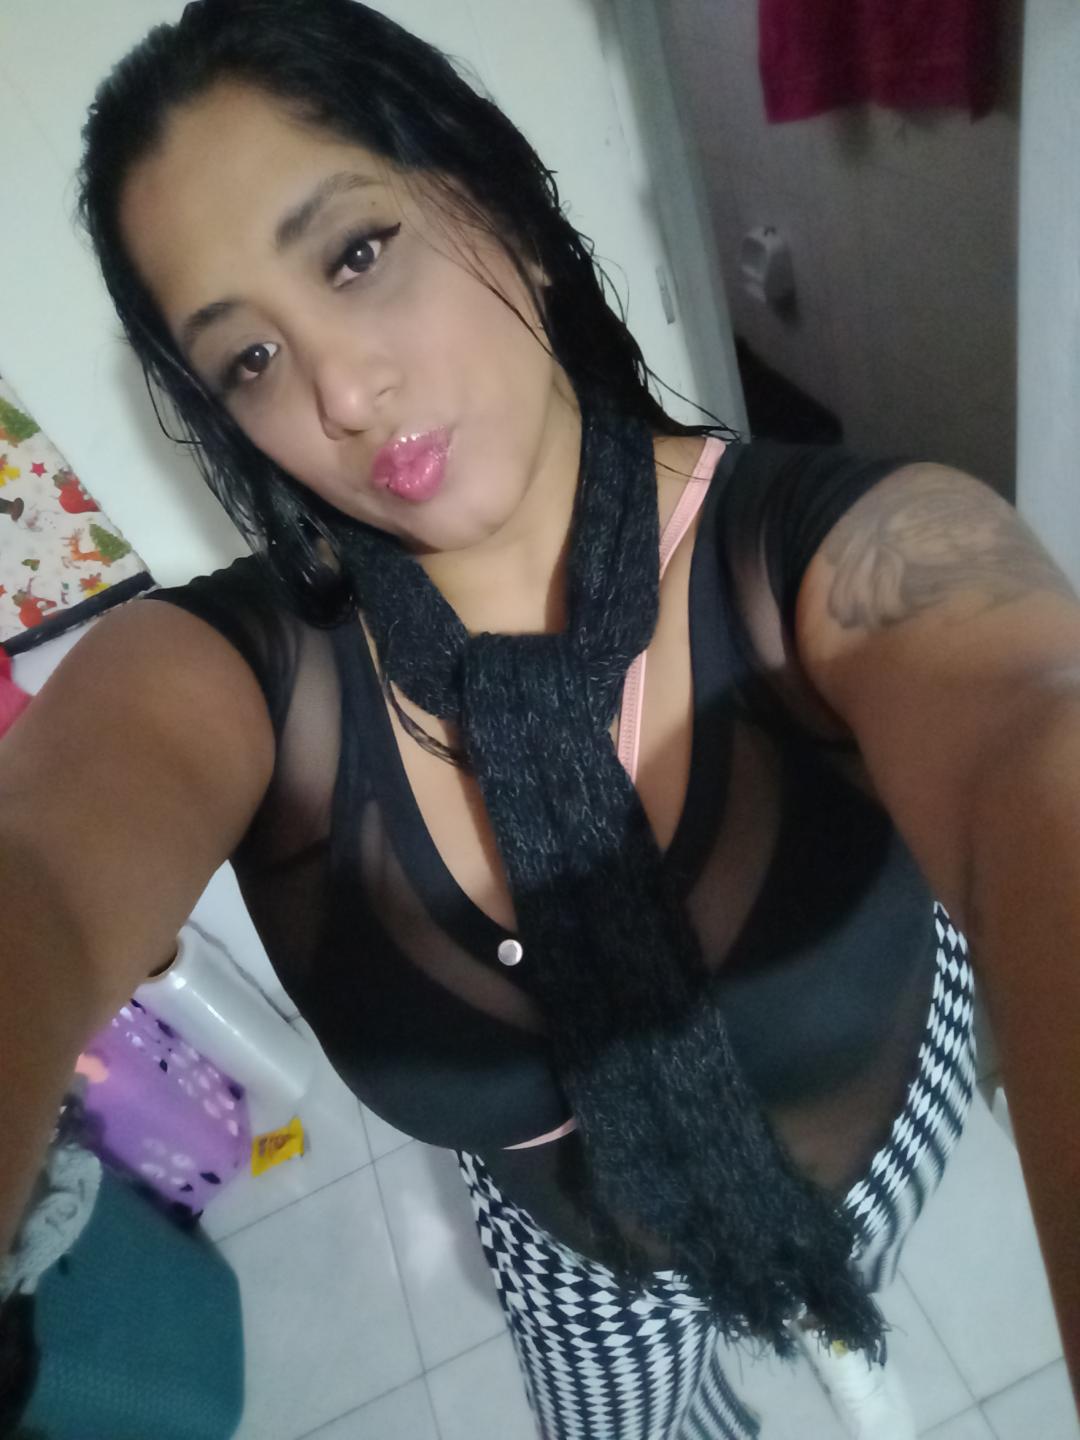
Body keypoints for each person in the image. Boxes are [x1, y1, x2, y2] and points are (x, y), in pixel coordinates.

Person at [2, 1, 1078, 1436]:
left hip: (884, 1138)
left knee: (852, 1277)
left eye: (357, 253)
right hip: (582, 1275)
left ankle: (834, 1315)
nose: (342, 391)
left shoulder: (826, 554)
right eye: (248, 359)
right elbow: (40, 877)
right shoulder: (234, 677)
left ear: (499, 209)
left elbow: (1032, 736)